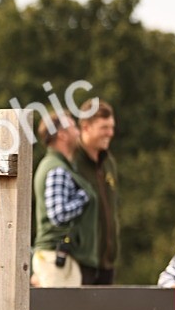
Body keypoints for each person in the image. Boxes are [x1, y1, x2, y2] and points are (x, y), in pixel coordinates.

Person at [32, 112, 96, 287]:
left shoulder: (59, 166)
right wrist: (84, 197)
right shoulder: (57, 169)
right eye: (73, 127)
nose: (78, 132)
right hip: (56, 258)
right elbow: (58, 214)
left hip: (57, 257)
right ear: (61, 134)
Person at [72, 99, 119, 284]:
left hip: (107, 262)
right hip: (79, 261)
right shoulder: (72, 162)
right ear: (85, 127)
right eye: (104, 127)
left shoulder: (109, 163)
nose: (110, 133)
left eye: (111, 127)